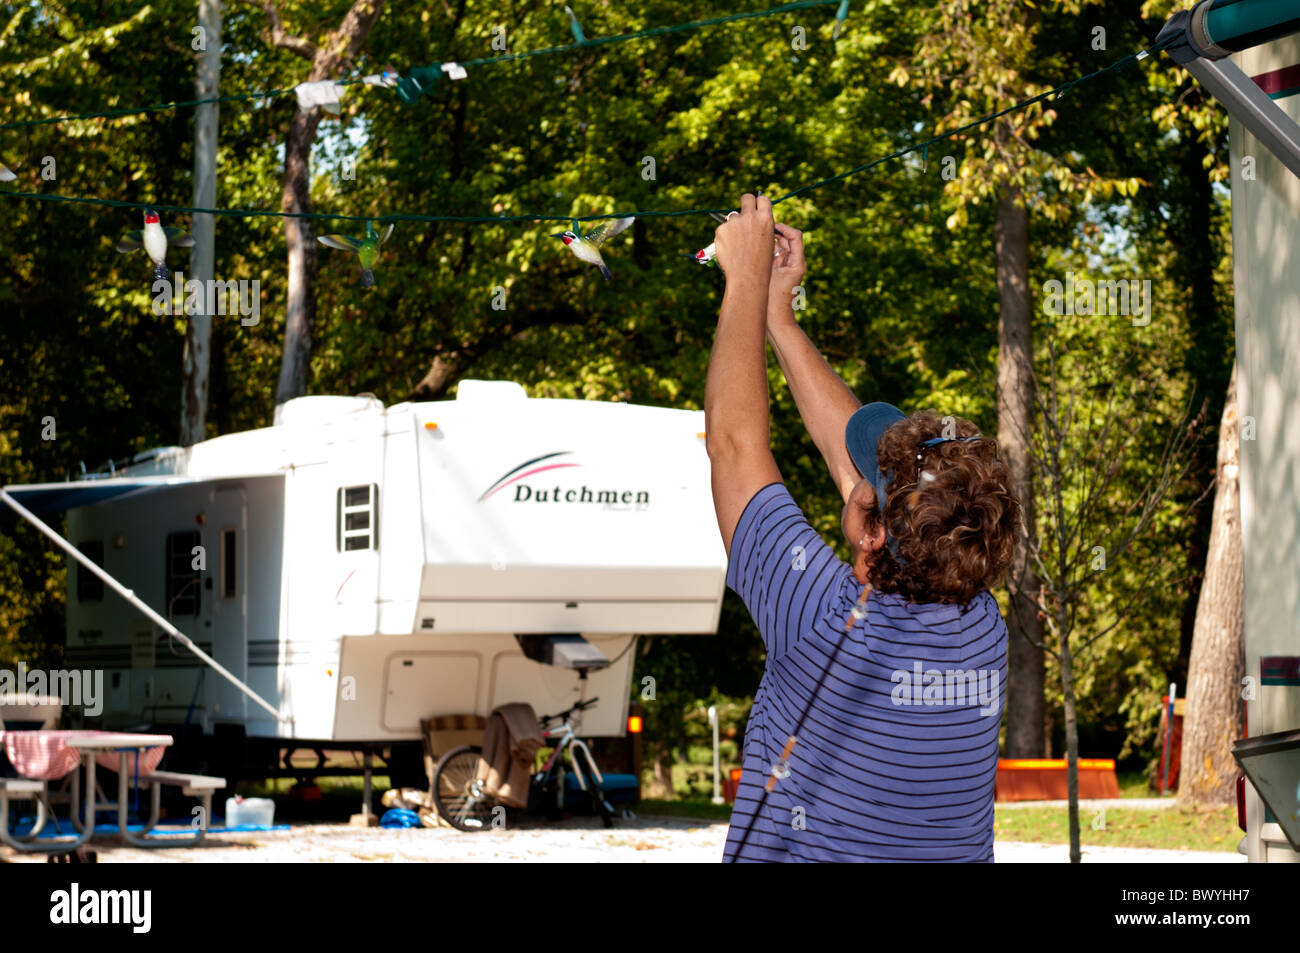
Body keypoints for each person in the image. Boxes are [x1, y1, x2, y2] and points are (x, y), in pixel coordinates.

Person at [704, 194, 1022, 862]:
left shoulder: (820, 618)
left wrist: (743, 280)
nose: (855, 476)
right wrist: (776, 315)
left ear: (874, 530)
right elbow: (866, 483)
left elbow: (734, 443)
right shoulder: (982, 627)